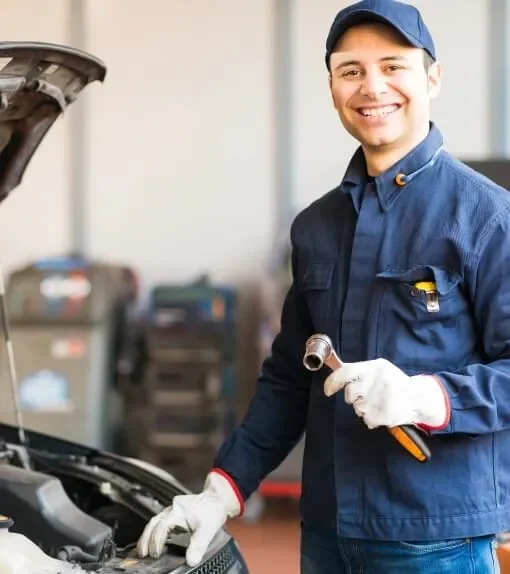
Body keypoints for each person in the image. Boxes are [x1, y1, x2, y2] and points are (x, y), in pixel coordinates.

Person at [137, 0, 510, 571]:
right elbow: (289, 377)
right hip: (328, 533)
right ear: (333, 86)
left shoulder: (487, 217)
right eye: (351, 70)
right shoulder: (316, 227)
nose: (372, 86)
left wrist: (426, 396)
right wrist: (221, 491)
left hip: (436, 539)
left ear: (433, 77)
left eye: (393, 65)